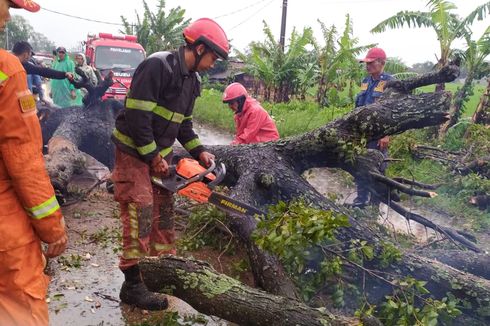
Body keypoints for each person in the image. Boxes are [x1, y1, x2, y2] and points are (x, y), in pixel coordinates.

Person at [111, 17, 229, 310]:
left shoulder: (193, 80)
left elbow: (184, 125)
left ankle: (160, 269)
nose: (214, 62)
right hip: (132, 151)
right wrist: (153, 157)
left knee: (164, 213)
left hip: (157, 156)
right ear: (200, 48)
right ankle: (133, 284)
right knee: (141, 210)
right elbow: (138, 117)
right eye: (213, 55)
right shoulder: (158, 66)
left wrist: (200, 151)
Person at [0, 1, 68, 325]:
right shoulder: (8, 68)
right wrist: (52, 229)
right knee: (20, 310)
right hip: (5, 225)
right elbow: (23, 160)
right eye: (6, 5)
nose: (8, 16)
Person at [352, 47, 394, 208]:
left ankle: (375, 204)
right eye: (366, 63)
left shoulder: (390, 82)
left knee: (378, 168)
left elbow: (391, 111)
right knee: (360, 164)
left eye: (370, 63)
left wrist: (386, 135)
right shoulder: (365, 81)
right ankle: (361, 199)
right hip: (363, 133)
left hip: (379, 134)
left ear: (381, 63)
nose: (367, 66)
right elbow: (358, 108)